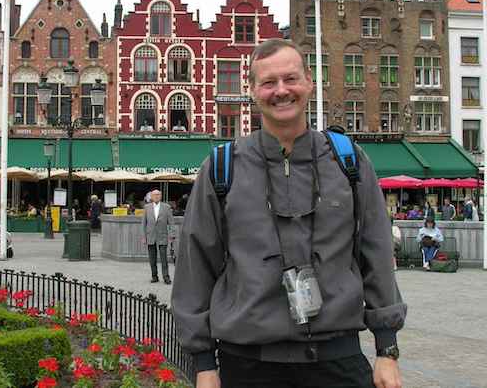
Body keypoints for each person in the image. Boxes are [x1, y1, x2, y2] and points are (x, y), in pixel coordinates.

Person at [172, 39, 405, 388]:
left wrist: (387, 350)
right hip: (249, 365)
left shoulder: (349, 161)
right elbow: (195, 267)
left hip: (336, 360)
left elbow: (377, 253)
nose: (281, 91)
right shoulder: (222, 168)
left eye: (290, 79)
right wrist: (204, 362)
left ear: (309, 82)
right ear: (252, 90)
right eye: (268, 83)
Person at [142, 190, 173, 284]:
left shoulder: (167, 207)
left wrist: (172, 235)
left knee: (164, 258)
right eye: (155, 195)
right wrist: (143, 237)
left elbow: (171, 223)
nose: (156, 196)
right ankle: (154, 276)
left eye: (158, 194)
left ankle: (166, 277)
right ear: (151, 196)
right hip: (150, 236)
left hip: (162, 236)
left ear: (161, 196)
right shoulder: (146, 207)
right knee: (152, 258)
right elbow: (144, 223)